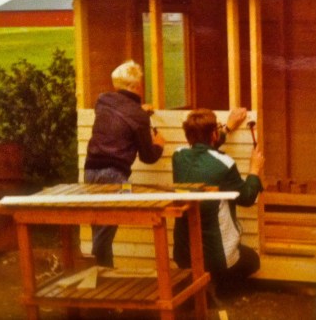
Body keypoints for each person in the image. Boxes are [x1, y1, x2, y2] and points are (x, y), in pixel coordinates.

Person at [172, 108, 264, 294]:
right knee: (253, 260)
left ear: (188, 136)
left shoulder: (178, 157)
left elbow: (202, 150)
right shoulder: (224, 164)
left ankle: (203, 281)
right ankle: (220, 283)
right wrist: (254, 170)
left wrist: (227, 128)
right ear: (214, 134)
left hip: (184, 256)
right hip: (217, 257)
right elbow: (247, 198)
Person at [83, 60, 165, 267]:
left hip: (90, 171)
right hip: (116, 176)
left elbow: (120, 113)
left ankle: (103, 270)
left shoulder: (102, 100)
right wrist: (159, 145)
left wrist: (140, 111)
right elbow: (148, 157)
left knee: (100, 227)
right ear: (137, 85)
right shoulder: (138, 116)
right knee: (105, 233)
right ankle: (98, 273)